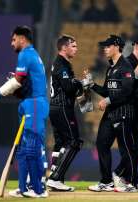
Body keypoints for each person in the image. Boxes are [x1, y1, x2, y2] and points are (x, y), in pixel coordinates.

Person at [0, 26, 49, 198]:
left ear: (22, 38)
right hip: (29, 102)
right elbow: (23, 81)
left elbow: (18, 80)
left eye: (14, 40)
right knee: (23, 149)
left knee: (32, 147)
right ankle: (24, 187)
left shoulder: (26, 54)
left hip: (35, 102)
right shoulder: (31, 55)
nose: (12, 44)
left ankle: (38, 189)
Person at [87, 35, 137, 192]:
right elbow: (106, 91)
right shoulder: (111, 68)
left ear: (117, 46)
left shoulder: (126, 66)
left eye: (108, 46)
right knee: (101, 144)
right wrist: (92, 84)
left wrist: (108, 100)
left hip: (123, 112)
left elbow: (127, 91)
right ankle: (106, 181)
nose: (105, 48)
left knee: (126, 150)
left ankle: (126, 179)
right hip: (110, 114)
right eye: (104, 46)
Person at [112, 34, 138, 192]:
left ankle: (133, 180)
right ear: (136, 45)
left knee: (137, 148)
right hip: (128, 109)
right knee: (130, 148)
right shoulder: (127, 62)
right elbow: (127, 86)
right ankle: (118, 174)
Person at [46, 35, 84, 191]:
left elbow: (67, 86)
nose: (76, 48)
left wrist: (76, 85)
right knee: (74, 142)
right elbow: (69, 87)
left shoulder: (60, 63)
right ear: (64, 48)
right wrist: (80, 84)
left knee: (60, 143)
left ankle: (55, 177)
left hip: (55, 107)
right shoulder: (62, 64)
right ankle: (55, 178)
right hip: (62, 107)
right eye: (73, 46)